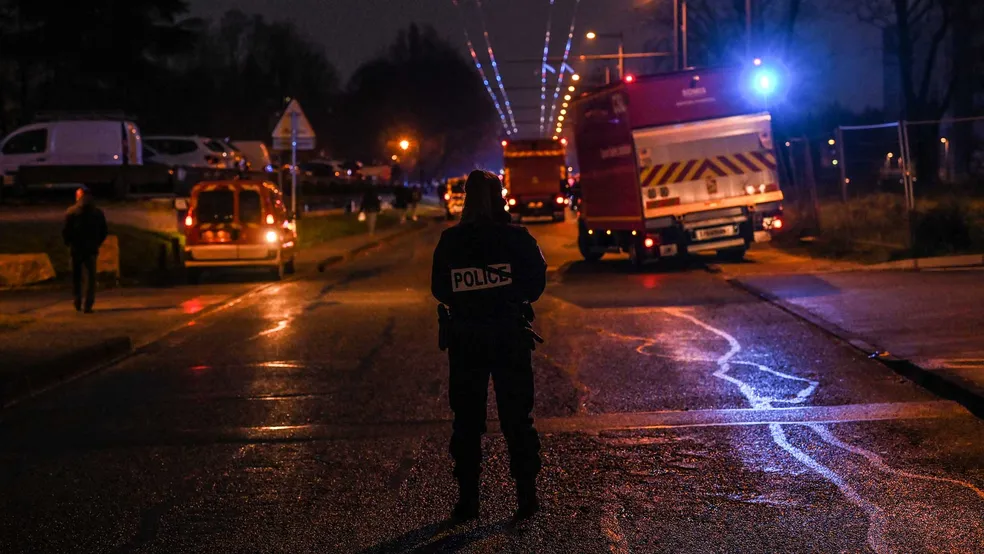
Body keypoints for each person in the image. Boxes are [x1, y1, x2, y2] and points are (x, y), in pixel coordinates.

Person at [431, 169, 547, 523]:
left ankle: (468, 502)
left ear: (466, 198)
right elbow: (536, 283)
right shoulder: (519, 239)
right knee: (517, 419)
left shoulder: (451, 240)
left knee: (467, 421)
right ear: (500, 198)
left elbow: (439, 288)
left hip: (466, 339)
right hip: (509, 336)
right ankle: (526, 499)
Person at [62, 186, 108, 313]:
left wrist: (68, 243)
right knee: (90, 277)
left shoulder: (71, 212)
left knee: (76, 276)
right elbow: (104, 231)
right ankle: (88, 304)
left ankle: (77, 300)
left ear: (78, 197)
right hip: (91, 248)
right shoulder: (97, 213)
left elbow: (66, 231)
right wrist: (97, 243)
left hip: (76, 248)